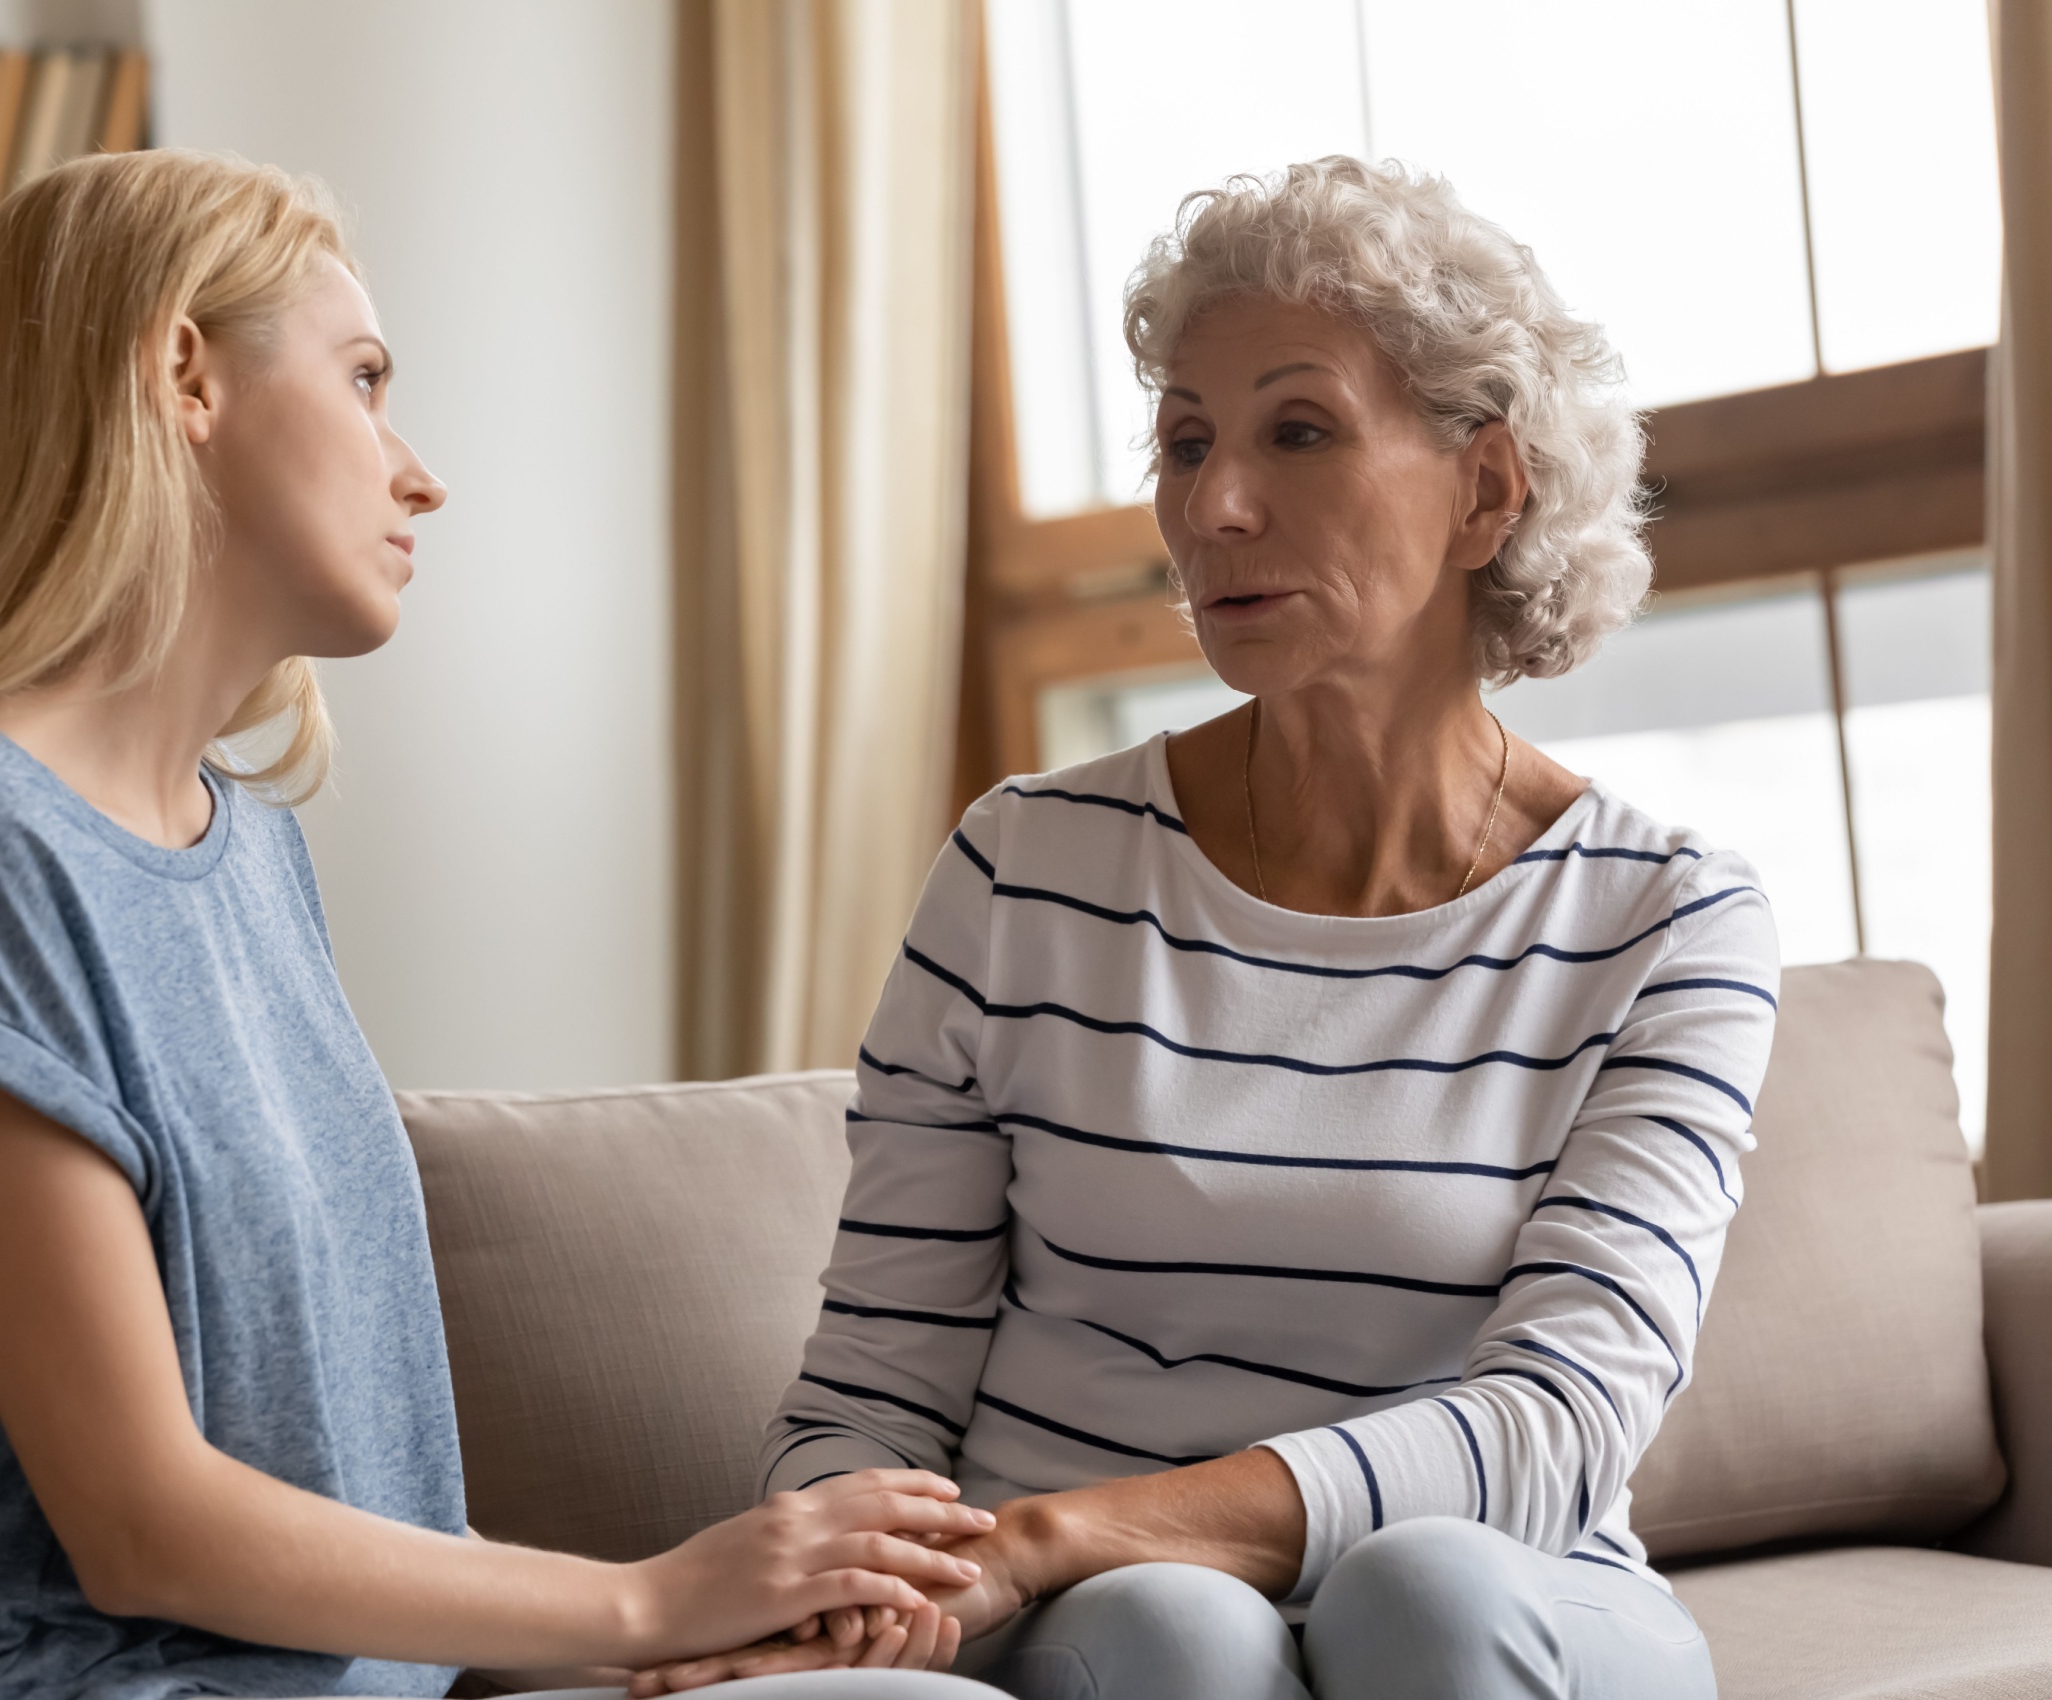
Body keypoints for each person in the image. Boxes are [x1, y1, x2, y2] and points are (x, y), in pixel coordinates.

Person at [0, 148, 998, 1700]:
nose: (418, 469)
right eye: (366, 379)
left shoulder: (251, 857)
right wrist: (656, 1602)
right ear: (185, 371)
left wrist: (690, 1631)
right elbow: (139, 1526)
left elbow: (345, 1522)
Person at [639, 157, 1776, 1700]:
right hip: (1102, 1623)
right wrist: (867, 1568)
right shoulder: (1026, 867)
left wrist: (1056, 1533)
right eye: (1186, 441)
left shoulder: (1668, 919)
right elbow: (874, 1384)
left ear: (1487, 488)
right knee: (1173, 1627)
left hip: (1505, 1591)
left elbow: (1557, 1421)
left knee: (1425, 1592)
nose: (1213, 505)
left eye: (1298, 431)